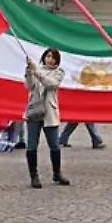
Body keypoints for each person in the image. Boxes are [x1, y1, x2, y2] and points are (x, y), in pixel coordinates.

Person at [24, 48, 70, 188]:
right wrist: (29, 72)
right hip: (34, 111)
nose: (50, 59)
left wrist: (37, 72)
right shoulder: (36, 69)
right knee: (32, 145)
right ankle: (34, 176)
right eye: (48, 56)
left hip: (50, 112)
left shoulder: (59, 72)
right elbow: (29, 86)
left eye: (53, 57)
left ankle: (57, 173)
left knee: (54, 145)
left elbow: (51, 84)